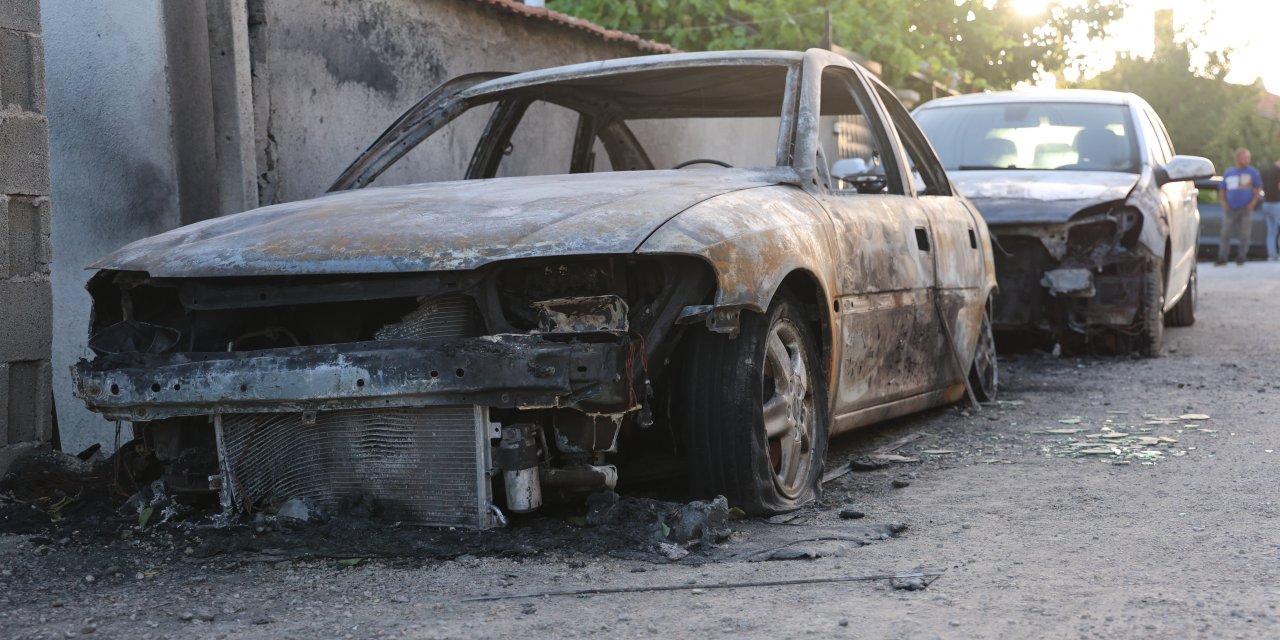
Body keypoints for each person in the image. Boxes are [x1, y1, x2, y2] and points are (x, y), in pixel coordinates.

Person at [1217, 148, 1263, 266]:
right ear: (1237, 158)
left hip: (1246, 209)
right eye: (1244, 157)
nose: (1247, 160)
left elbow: (1258, 189)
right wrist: (1224, 203)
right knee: (1225, 234)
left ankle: (1241, 257)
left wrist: (1253, 203)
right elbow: (1222, 190)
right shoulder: (1229, 172)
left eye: (1248, 157)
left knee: (1245, 234)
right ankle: (1222, 257)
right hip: (1230, 208)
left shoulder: (1252, 172)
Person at [1262, 158, 1280, 261]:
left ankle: (1271, 255)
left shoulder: (1265, 171)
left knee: (1271, 231)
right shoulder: (1278, 171)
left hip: (1266, 203)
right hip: (1277, 203)